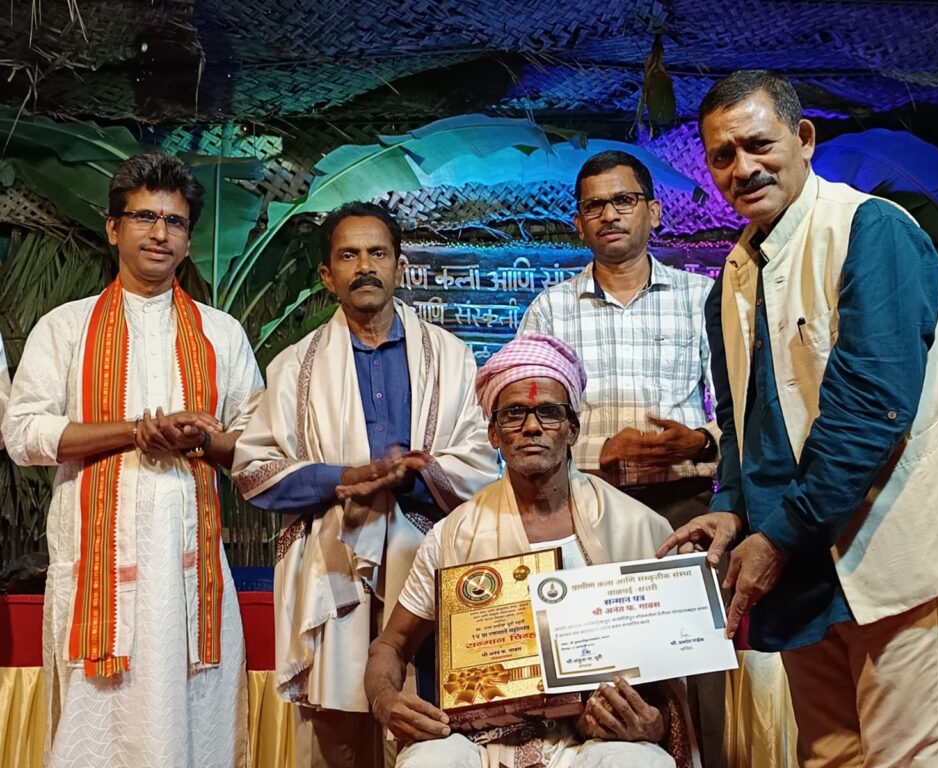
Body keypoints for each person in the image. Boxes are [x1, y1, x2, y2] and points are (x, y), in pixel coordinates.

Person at [660, 69, 938, 766]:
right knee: (827, 754)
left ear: (803, 138)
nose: (743, 168)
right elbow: (740, 417)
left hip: (884, 540)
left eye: (759, 144)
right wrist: (732, 508)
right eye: (723, 156)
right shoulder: (733, 276)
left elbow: (871, 406)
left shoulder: (870, 229)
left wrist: (777, 536)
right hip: (801, 556)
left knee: (902, 754)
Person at [2, 152, 264, 768]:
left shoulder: (221, 334)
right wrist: (134, 432)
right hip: (97, 588)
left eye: (174, 221)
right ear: (113, 227)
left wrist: (200, 440)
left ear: (188, 239)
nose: (159, 233)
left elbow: (259, 445)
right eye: (145, 217)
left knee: (192, 734)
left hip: (190, 586)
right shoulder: (65, 328)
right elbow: (23, 434)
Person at [232, 202, 499, 768]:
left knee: (430, 721)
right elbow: (254, 471)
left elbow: (481, 460)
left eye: (377, 253)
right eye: (348, 255)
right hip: (332, 564)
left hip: (428, 557)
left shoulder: (451, 357)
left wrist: (419, 474)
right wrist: (346, 479)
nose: (364, 267)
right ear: (327, 276)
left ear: (400, 266)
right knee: (339, 733)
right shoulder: (294, 367)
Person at [364, 333, 697, 768]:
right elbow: (390, 646)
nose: (532, 426)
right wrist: (387, 701)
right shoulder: (453, 536)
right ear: (493, 433)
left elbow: (674, 676)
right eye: (514, 413)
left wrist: (652, 723)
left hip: (593, 739)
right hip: (480, 741)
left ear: (573, 429)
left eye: (549, 412)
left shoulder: (640, 528)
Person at [518, 150, 724, 764]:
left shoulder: (703, 298)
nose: (609, 214)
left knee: (690, 665)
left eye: (624, 200)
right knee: (592, 672)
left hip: (684, 510)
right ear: (579, 224)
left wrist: (699, 441)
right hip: (584, 510)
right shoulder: (550, 310)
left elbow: (743, 409)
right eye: (594, 206)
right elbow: (528, 420)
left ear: (654, 212)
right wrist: (596, 451)